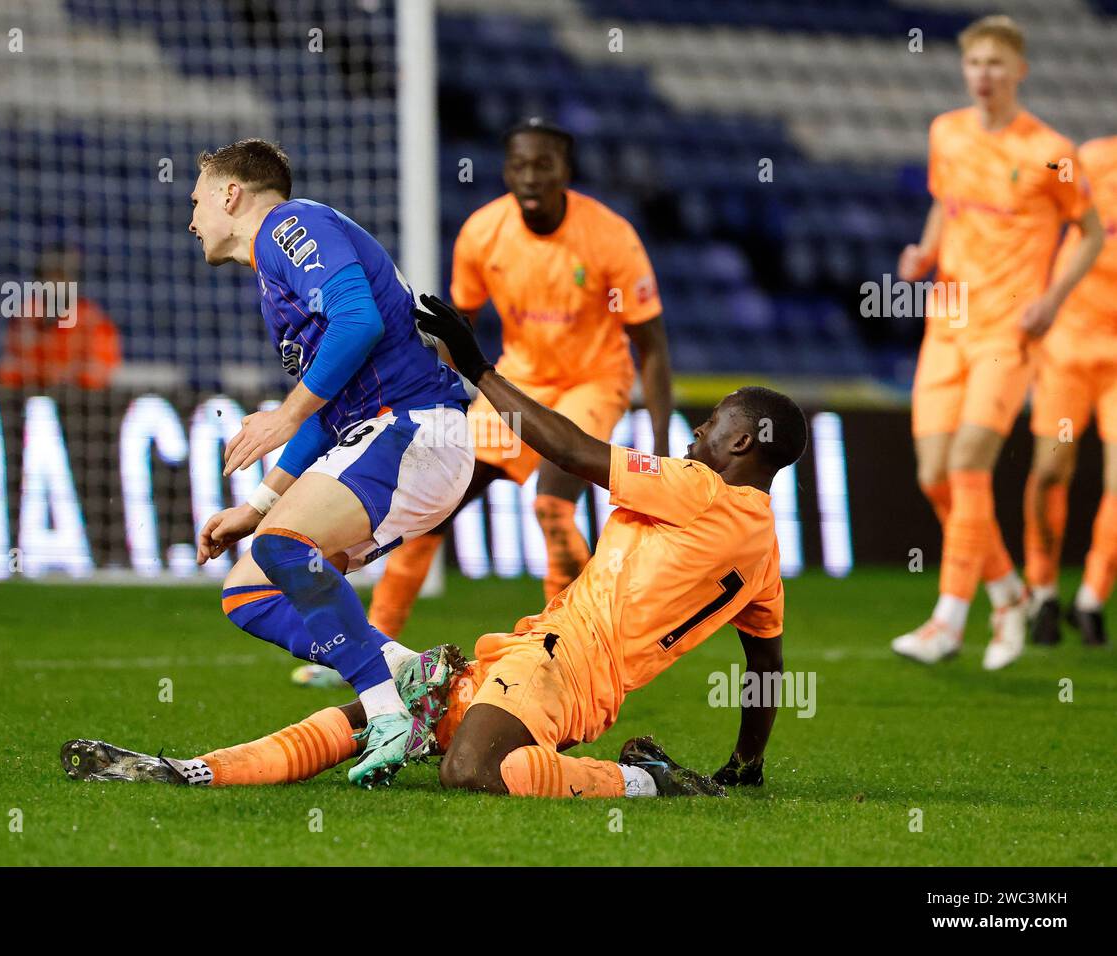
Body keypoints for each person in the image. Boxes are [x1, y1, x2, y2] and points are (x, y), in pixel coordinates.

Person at [62, 295, 803, 800]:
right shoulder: (762, 555)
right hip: (538, 655)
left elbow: (576, 450)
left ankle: (647, 782)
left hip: (565, 675)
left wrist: (478, 368)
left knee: (471, 770)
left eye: (711, 427)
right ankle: (192, 772)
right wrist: (748, 761)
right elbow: (765, 663)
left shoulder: (703, 490)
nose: (694, 434)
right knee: (384, 715)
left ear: (742, 442)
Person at [186, 139, 475, 786]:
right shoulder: (273, 278)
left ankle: (386, 716)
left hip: (413, 429)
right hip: (378, 437)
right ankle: (406, 670)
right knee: (249, 591)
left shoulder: (293, 227)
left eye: (198, 199)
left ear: (232, 194)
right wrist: (255, 507)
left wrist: (281, 415)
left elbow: (357, 322)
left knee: (288, 546)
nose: (192, 219)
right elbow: (329, 408)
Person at [363, 117, 672, 642]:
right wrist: (431, 404)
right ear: (507, 170)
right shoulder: (483, 233)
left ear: (565, 170)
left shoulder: (611, 237)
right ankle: (376, 640)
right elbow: (456, 329)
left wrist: (660, 445)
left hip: (592, 384)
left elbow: (653, 347)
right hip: (518, 383)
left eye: (543, 165)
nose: (530, 176)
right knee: (434, 497)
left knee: (552, 506)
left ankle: (567, 648)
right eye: (519, 165)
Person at [891, 15, 1103, 670]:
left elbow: (1091, 232)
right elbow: (943, 202)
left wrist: (1053, 299)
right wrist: (925, 252)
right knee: (935, 478)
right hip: (946, 323)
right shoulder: (946, 132)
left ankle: (949, 621)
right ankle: (1008, 595)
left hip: (1008, 330)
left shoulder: (1052, 150)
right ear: (965, 69)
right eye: (975, 62)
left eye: (996, 63)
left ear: (1020, 71)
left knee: (968, 464)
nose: (984, 74)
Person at [1022, 135, 1116, 647]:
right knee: (1052, 471)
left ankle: (1092, 597)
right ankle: (1043, 589)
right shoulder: (1092, 159)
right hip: (1067, 347)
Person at [0, 246, 122, 389]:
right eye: (48, 275)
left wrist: (54, 375)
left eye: (61, 276)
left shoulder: (93, 321)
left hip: (79, 403)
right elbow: (7, 371)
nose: (54, 283)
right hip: (30, 400)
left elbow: (98, 374)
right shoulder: (25, 317)